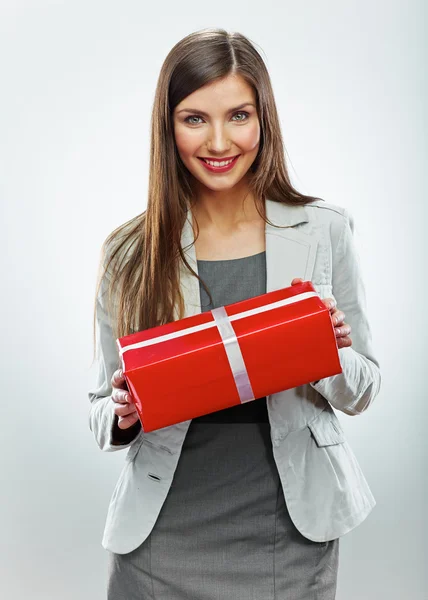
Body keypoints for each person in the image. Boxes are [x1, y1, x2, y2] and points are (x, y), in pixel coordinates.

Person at [88, 27, 381, 600]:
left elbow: (364, 388)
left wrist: (327, 354)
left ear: (263, 119)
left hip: (287, 531)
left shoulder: (325, 230)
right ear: (167, 127)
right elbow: (100, 409)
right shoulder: (128, 253)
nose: (219, 141)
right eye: (194, 118)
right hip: (163, 533)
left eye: (239, 116)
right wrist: (124, 410)